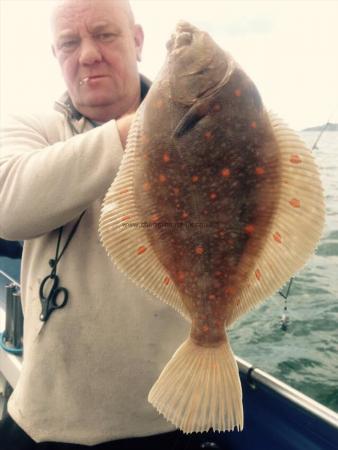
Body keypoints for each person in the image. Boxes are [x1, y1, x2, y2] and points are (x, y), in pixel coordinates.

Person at [0, 1, 206, 448]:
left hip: (169, 418)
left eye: (104, 35)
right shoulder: (33, 127)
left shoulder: (203, 129)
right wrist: (144, 126)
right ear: (56, 55)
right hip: (45, 421)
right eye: (69, 42)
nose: (88, 54)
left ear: (137, 41)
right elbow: (7, 207)